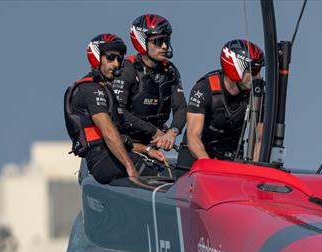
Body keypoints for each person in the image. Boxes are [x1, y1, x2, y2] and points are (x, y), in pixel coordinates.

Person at [64, 34, 165, 187]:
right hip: (101, 160)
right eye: (110, 58)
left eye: (119, 59)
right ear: (96, 58)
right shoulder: (91, 89)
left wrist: (147, 149)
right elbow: (108, 132)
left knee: (166, 169)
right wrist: (130, 166)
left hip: (110, 156)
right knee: (159, 175)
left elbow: (119, 139)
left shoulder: (105, 89)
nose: (116, 64)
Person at [176, 39, 264, 173]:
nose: (258, 76)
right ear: (235, 67)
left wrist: (253, 171)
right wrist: (209, 168)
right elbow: (193, 136)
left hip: (230, 159)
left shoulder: (257, 94)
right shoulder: (204, 89)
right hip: (198, 158)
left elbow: (259, 139)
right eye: (254, 70)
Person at [110, 14, 186, 151]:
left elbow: (180, 107)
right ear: (141, 42)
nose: (164, 46)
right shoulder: (127, 69)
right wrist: (154, 131)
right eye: (158, 41)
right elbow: (118, 111)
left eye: (166, 41)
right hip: (127, 145)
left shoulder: (170, 70)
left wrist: (172, 132)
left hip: (155, 144)